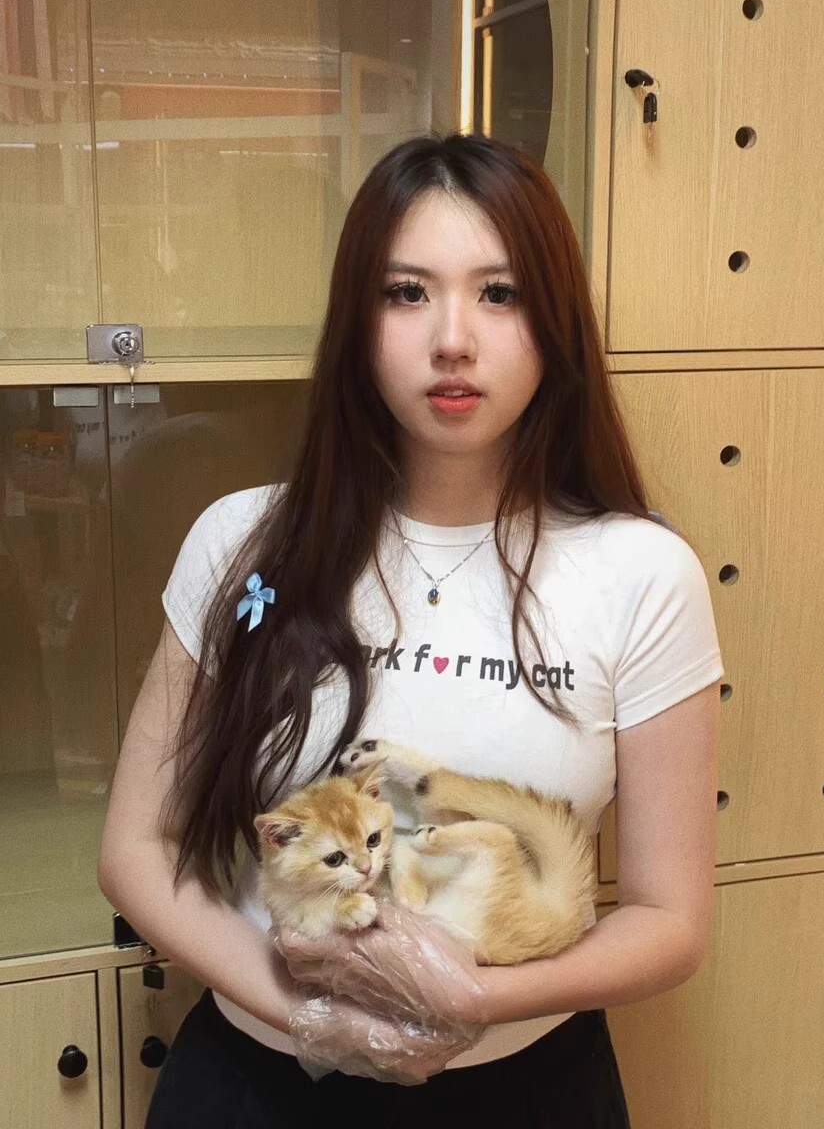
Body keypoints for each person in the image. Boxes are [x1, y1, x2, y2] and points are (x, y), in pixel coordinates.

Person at [97, 132, 724, 1128]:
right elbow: (136, 848)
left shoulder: (643, 574)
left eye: (500, 293)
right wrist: (308, 1014)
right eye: (406, 293)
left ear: (555, 323)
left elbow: (670, 918)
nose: (453, 339)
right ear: (358, 319)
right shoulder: (242, 542)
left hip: (526, 1092)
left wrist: (471, 1000)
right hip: (258, 1086)